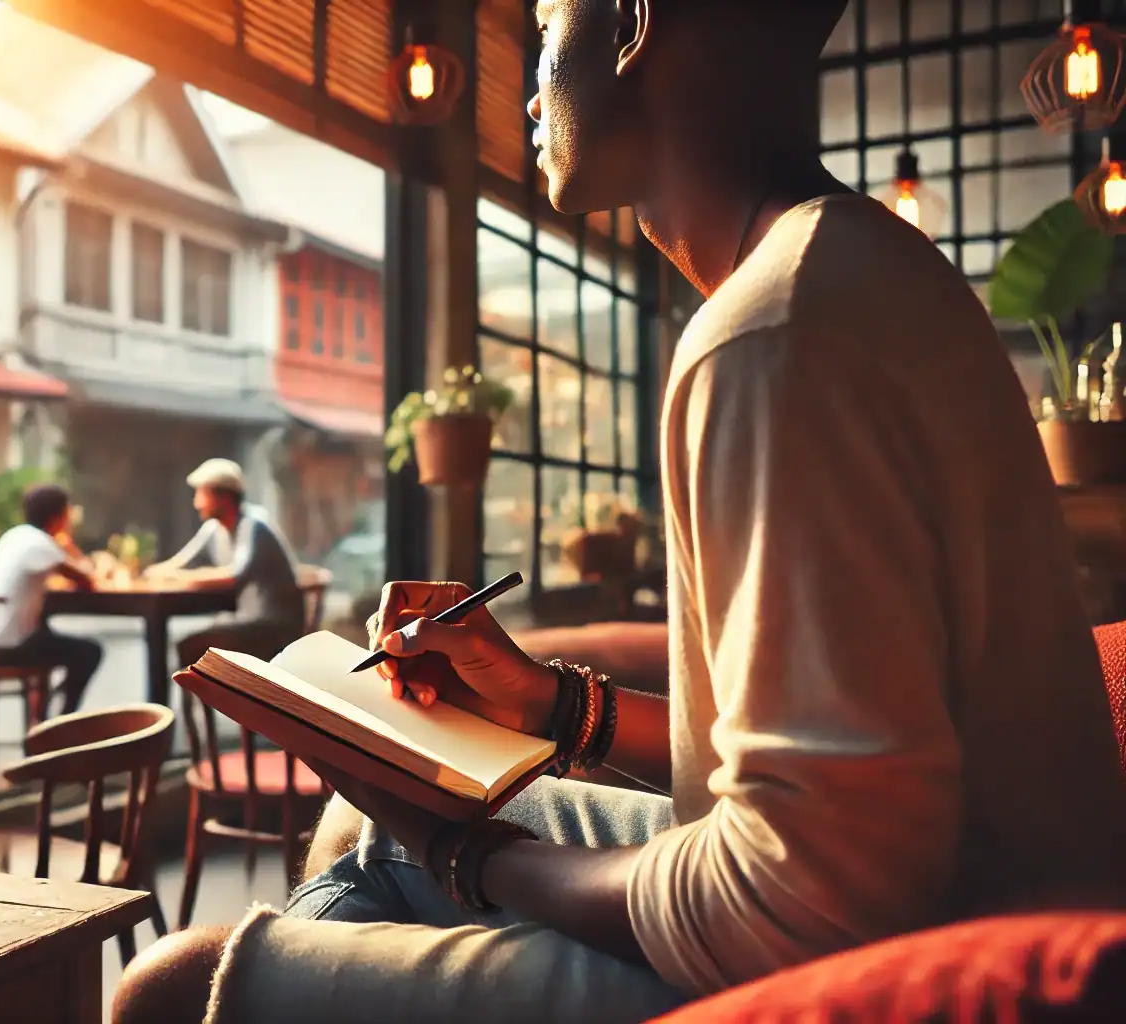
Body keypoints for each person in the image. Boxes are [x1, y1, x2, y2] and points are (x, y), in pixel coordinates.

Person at [112, 1, 1126, 1022]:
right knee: (364, 834)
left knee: (175, 985)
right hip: (948, 892)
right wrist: (549, 705)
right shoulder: (864, 270)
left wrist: (473, 858)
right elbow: (821, 753)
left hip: (934, 966)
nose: (526, 78)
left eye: (548, 23)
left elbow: (801, 904)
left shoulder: (772, 333)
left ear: (635, 21)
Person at [146, 458, 305, 667]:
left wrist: (184, 578)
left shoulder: (253, 526)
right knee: (192, 645)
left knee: (193, 646)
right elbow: (180, 562)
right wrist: (152, 571)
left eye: (201, 495)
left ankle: (212, 699)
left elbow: (233, 576)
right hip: (245, 619)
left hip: (272, 625)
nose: (196, 503)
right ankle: (211, 700)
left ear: (222, 496)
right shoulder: (213, 529)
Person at [0, 484, 103, 715]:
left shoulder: (15, 535)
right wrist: (70, 546)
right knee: (90, 652)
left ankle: (42, 718)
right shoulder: (41, 543)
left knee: (47, 635)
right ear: (58, 516)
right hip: (9, 647)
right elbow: (86, 580)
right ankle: (62, 724)